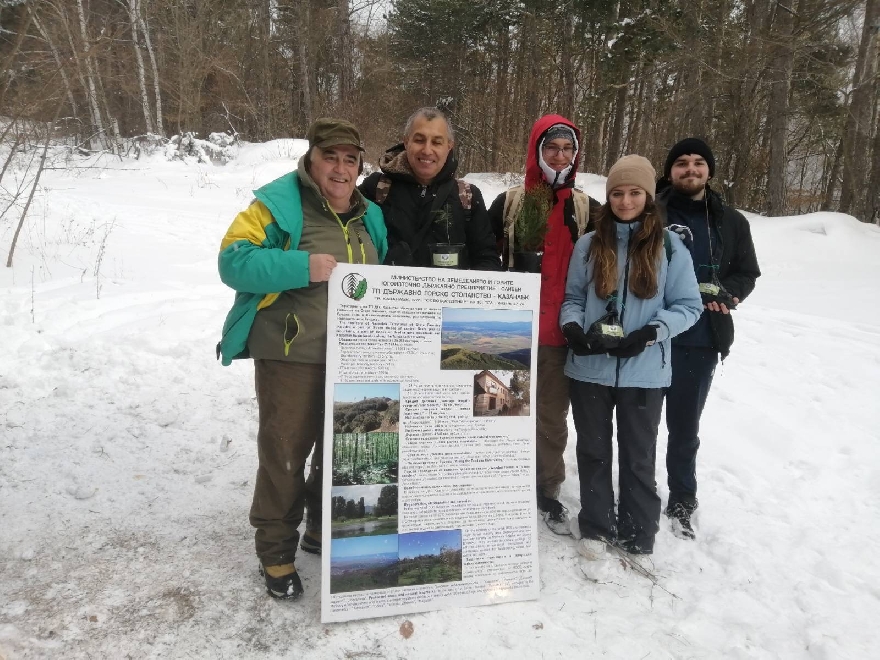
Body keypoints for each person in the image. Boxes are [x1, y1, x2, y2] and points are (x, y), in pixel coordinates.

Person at [216, 119, 388, 599]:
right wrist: (300, 266)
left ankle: (318, 529)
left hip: (353, 359)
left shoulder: (368, 214)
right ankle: (275, 553)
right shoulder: (277, 205)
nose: (340, 168)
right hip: (291, 353)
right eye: (330, 156)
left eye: (350, 159)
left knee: (340, 452)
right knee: (286, 454)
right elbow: (233, 261)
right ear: (311, 158)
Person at [560, 155, 702, 559]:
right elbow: (572, 299)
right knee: (593, 450)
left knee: (639, 455)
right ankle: (596, 527)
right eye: (617, 193)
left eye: (634, 192)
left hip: (644, 371)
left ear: (649, 196)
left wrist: (650, 333)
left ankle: (639, 530)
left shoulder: (670, 247)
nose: (625, 201)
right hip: (590, 368)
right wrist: (572, 326)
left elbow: (688, 306)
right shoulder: (589, 244)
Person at [487, 114, 597, 535]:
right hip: (507, 331)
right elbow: (482, 256)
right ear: (537, 150)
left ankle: (546, 488)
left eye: (568, 149)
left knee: (550, 417)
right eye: (552, 147)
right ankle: (496, 480)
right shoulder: (511, 202)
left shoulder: (586, 207)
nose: (560, 155)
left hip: (558, 334)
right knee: (499, 409)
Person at [655, 138, 760, 539]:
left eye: (699, 163)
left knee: (684, 427)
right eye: (681, 163)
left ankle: (683, 497)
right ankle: (638, 491)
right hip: (653, 335)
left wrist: (728, 295)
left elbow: (747, 272)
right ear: (670, 172)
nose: (690, 169)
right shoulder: (650, 210)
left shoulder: (731, 221)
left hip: (700, 339)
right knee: (640, 424)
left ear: (709, 171)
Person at [359, 107, 500, 270]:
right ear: (406, 142)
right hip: (388, 293)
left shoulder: (467, 196)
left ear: (449, 146)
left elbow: (487, 259)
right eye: (419, 140)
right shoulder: (376, 189)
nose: (427, 150)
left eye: (437, 142)